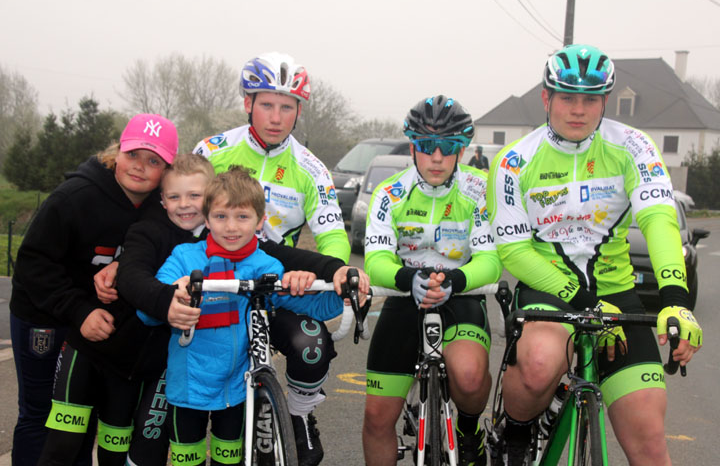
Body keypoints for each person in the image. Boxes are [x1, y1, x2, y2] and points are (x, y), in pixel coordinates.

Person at [487, 44, 703, 465]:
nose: (578, 109)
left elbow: (659, 219)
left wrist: (676, 300)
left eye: (591, 99)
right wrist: (586, 303)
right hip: (550, 290)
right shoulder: (514, 161)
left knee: (650, 442)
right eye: (567, 97)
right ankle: (513, 436)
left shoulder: (634, 147)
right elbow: (513, 249)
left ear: (605, 100)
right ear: (547, 97)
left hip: (617, 292)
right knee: (537, 364)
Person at [105, 154, 366, 465]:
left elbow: (309, 305)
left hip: (238, 392)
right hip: (188, 390)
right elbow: (149, 310)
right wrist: (175, 294)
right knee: (186, 460)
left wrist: (337, 295)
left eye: (242, 217)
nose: (231, 227)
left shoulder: (266, 265)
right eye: (220, 217)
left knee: (229, 461)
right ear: (206, 217)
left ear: (259, 221)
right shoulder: (184, 257)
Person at [193, 51, 351, 465]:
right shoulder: (212, 151)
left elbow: (333, 236)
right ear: (248, 104)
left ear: (298, 111)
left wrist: (325, 272)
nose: (276, 117)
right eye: (266, 104)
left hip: (273, 287)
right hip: (216, 285)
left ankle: (299, 415)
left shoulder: (311, 169)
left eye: (287, 107)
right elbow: (181, 222)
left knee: (312, 342)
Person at [9, 113, 178, 466]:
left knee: (80, 420)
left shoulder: (160, 206)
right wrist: (78, 310)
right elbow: (32, 262)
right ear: (117, 151)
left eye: (153, 161)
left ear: (168, 169)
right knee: (42, 414)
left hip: (97, 324)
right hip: (46, 313)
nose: (139, 167)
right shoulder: (76, 196)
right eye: (132, 154)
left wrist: (125, 262)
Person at [362, 95, 502, 466]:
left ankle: (469, 431)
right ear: (413, 147)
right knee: (377, 419)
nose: (436, 157)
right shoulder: (390, 193)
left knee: (470, 377)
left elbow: (490, 261)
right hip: (405, 294)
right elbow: (375, 258)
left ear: (462, 150)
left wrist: (456, 279)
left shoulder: (479, 191)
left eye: (448, 147)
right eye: (426, 147)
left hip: (461, 295)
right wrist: (407, 278)